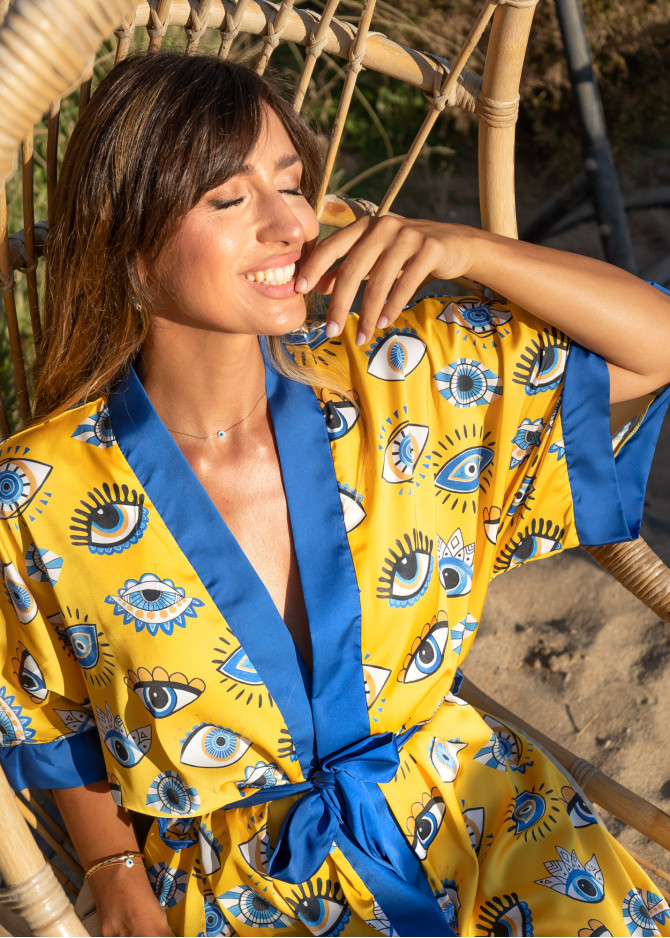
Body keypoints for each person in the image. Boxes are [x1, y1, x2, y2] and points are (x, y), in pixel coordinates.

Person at [0, 51, 669, 938]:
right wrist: (115, 872)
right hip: (251, 892)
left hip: (484, 822)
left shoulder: (398, 379)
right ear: (129, 242)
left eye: (291, 184)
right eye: (229, 199)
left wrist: (470, 248)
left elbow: (655, 346)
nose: (289, 223)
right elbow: (50, 718)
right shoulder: (37, 495)